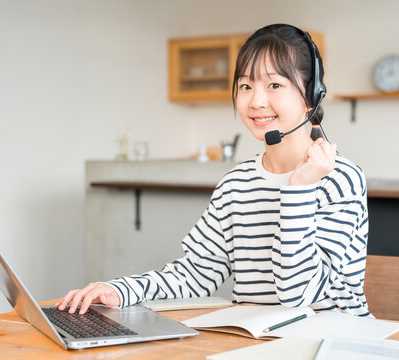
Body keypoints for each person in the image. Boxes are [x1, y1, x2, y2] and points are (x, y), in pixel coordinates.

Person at [57, 24, 371, 318]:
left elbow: (300, 295)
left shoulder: (340, 179)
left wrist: (300, 189)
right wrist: (119, 290)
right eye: (246, 85)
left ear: (311, 95)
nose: (256, 101)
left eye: (275, 84)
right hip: (259, 343)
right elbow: (197, 274)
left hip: (333, 343)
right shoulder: (236, 184)